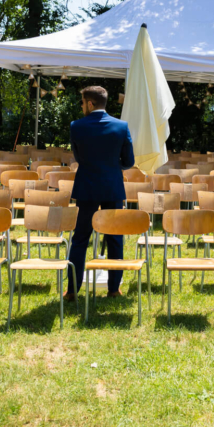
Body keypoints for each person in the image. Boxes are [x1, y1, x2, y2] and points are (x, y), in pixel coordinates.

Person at [66, 85, 135, 301]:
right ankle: (114, 289)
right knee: (115, 238)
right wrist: (114, 167)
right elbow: (130, 161)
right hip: (112, 187)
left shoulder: (76, 126)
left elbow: (78, 157)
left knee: (80, 239)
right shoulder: (122, 126)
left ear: (90, 103)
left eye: (82, 102)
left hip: (86, 187)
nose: (81, 106)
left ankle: (72, 291)